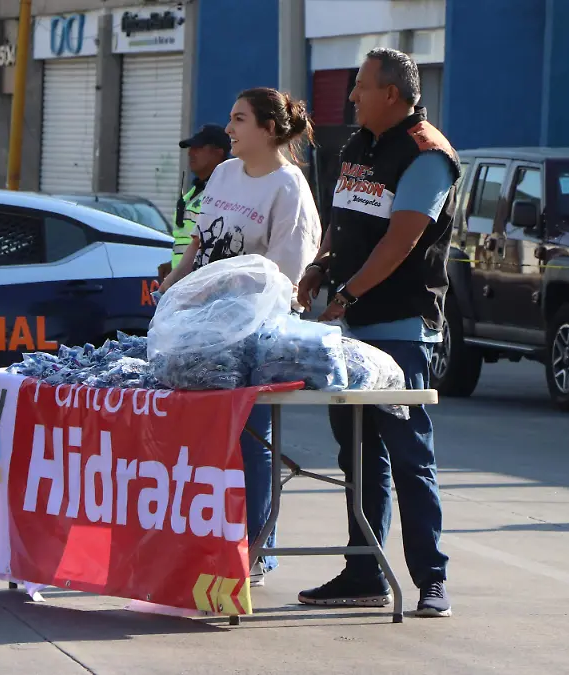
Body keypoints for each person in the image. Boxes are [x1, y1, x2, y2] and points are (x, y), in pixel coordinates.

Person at [296, 47, 457, 618]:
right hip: (348, 324)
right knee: (357, 454)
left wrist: (347, 295)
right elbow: (341, 221)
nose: (351, 95)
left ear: (392, 94)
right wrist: (320, 266)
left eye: (361, 86)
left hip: (396, 326)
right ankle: (364, 571)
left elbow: (401, 240)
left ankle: (430, 579)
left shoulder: (426, 155)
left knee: (408, 454)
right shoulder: (359, 144)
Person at [158, 87, 323, 586]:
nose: (228, 129)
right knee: (199, 437)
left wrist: (235, 299)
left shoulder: (288, 187)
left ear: (269, 130)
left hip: (257, 330)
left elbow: (286, 278)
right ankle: (204, 540)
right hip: (204, 326)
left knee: (252, 438)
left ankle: (256, 549)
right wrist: (175, 284)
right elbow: (201, 244)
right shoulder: (225, 174)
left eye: (239, 120)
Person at [157, 124, 230, 281]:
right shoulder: (194, 192)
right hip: (181, 282)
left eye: (198, 147)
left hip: (200, 284)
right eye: (191, 148)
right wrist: (174, 264)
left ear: (218, 152)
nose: (191, 153)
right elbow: (187, 241)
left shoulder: (225, 193)